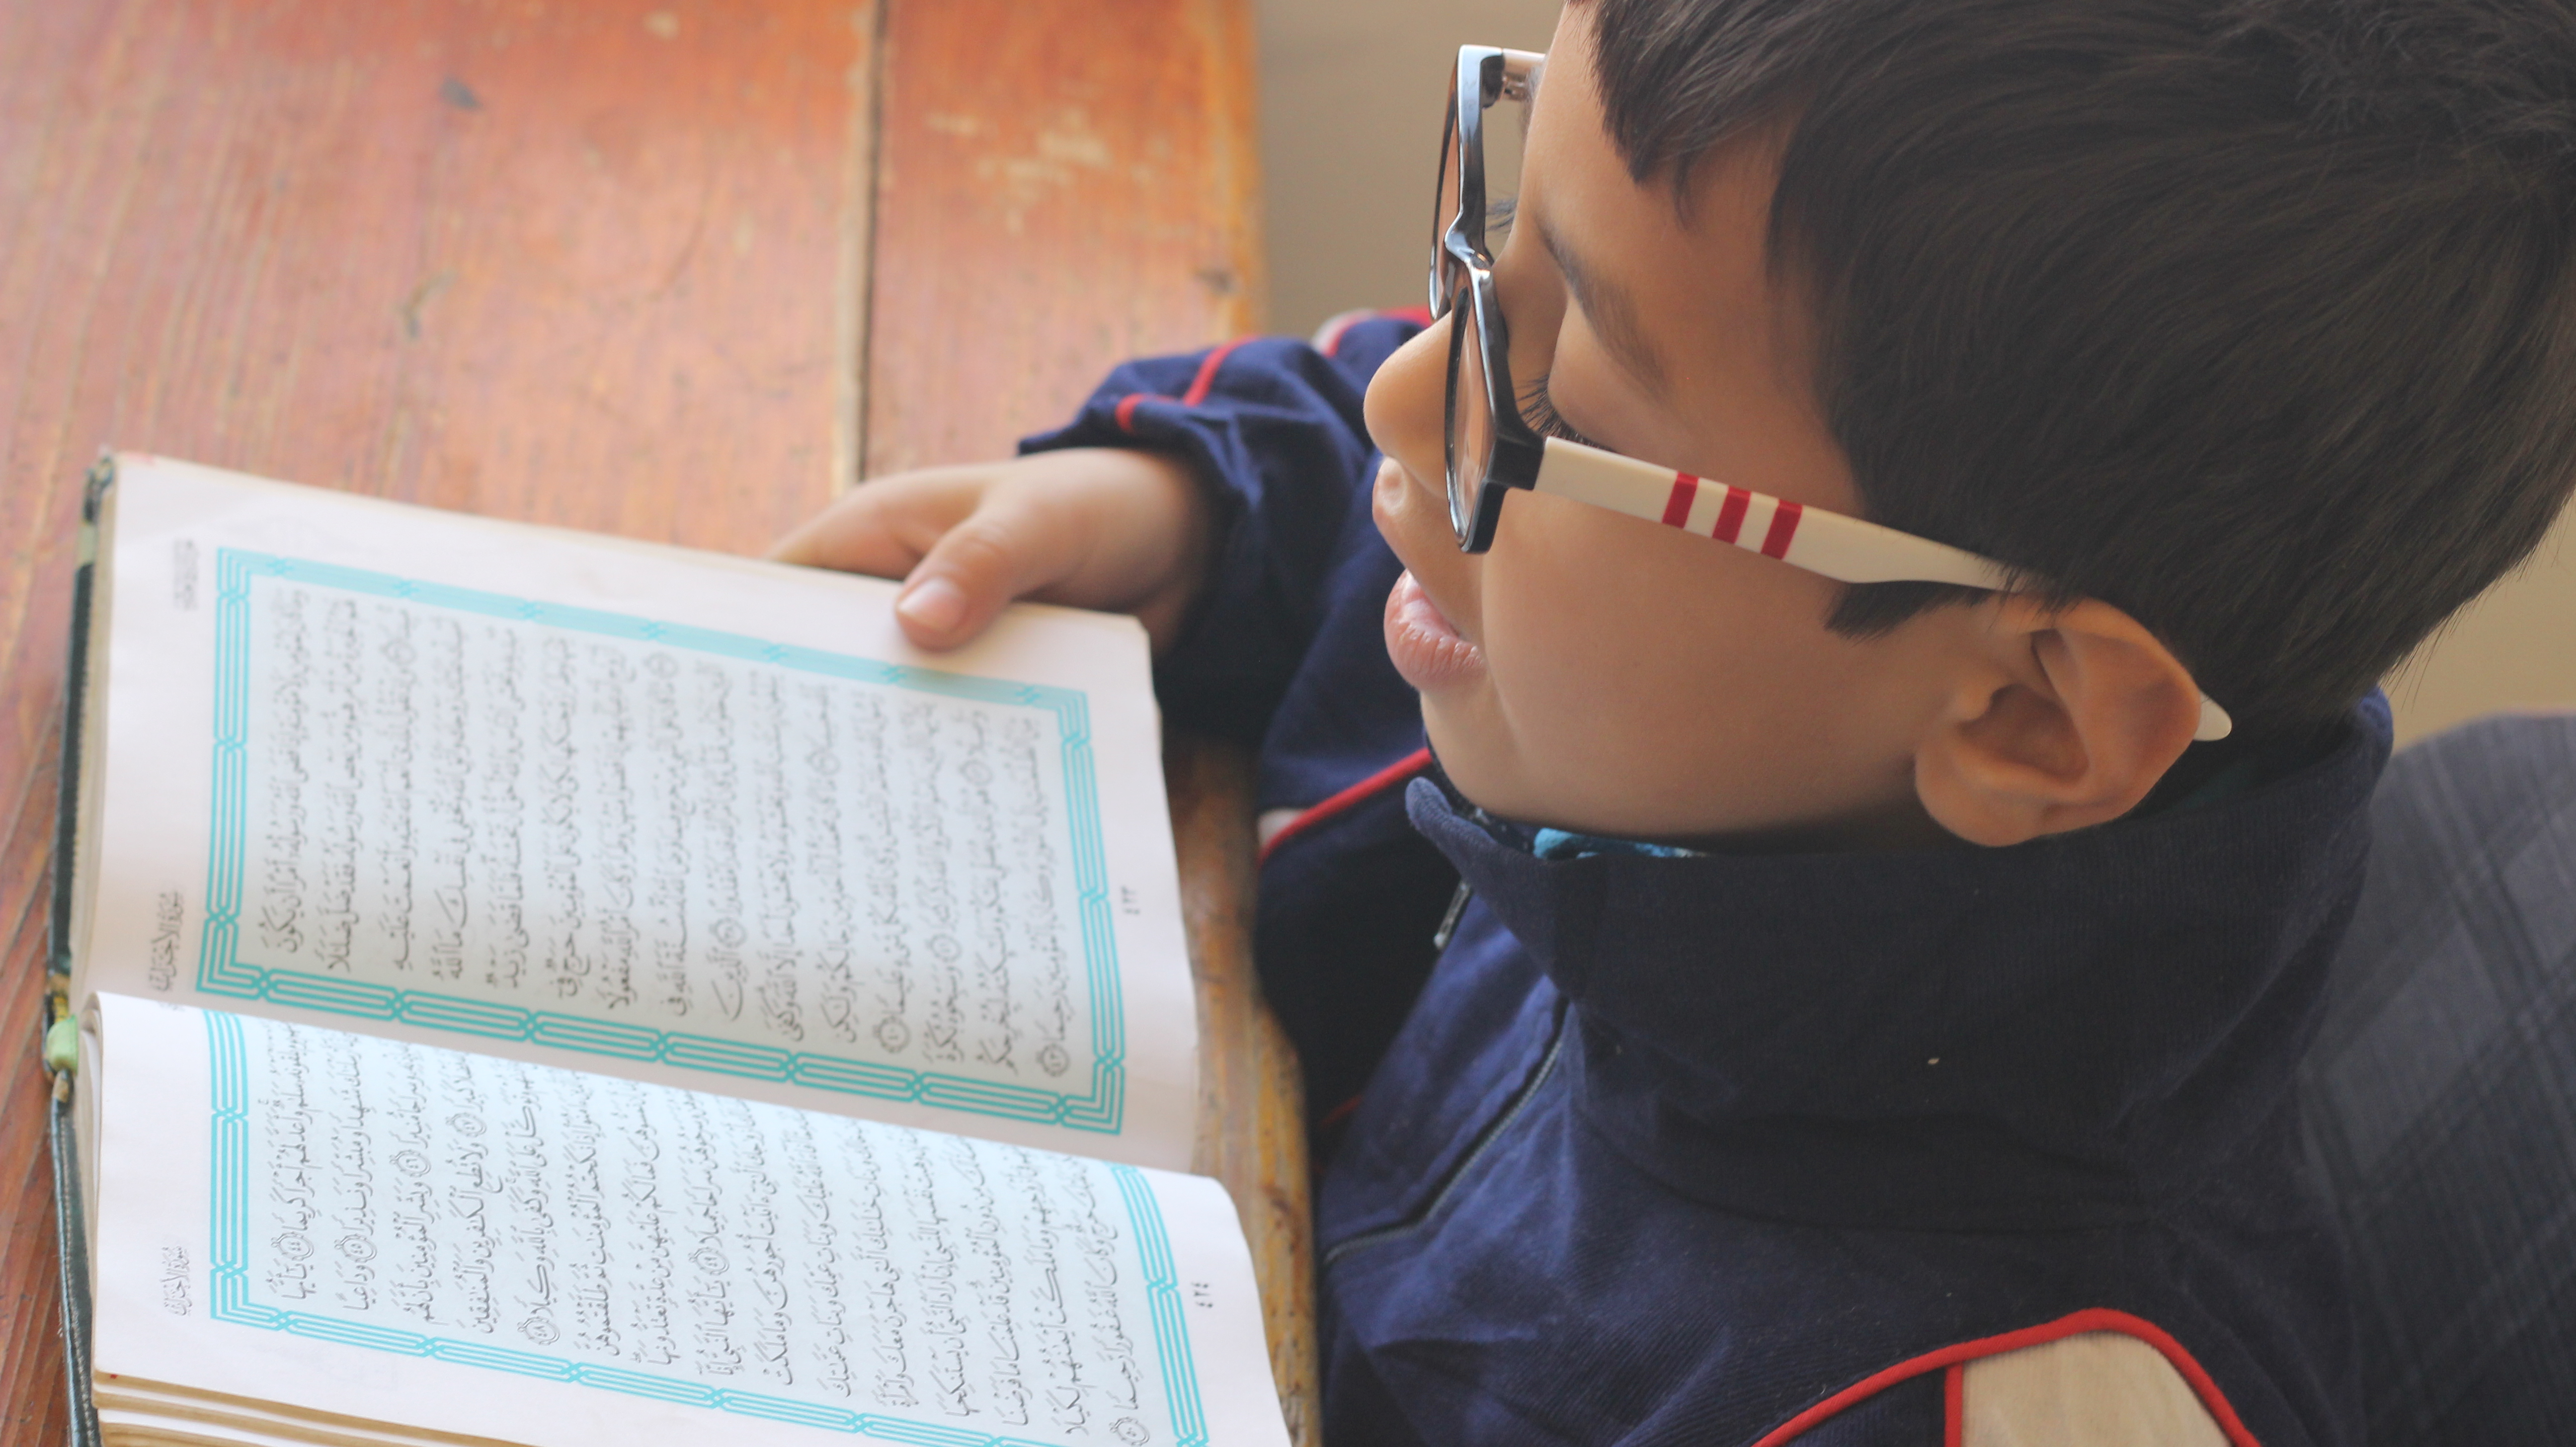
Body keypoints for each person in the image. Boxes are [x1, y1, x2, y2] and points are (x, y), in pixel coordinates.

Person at [774, 0, 2576, 1440]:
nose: (1409, 396)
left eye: (1561, 403)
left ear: (2029, 721)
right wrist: (1201, 505)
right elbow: (1400, 460)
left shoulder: (1953, 1404)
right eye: (1503, 240)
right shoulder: (1677, 717)